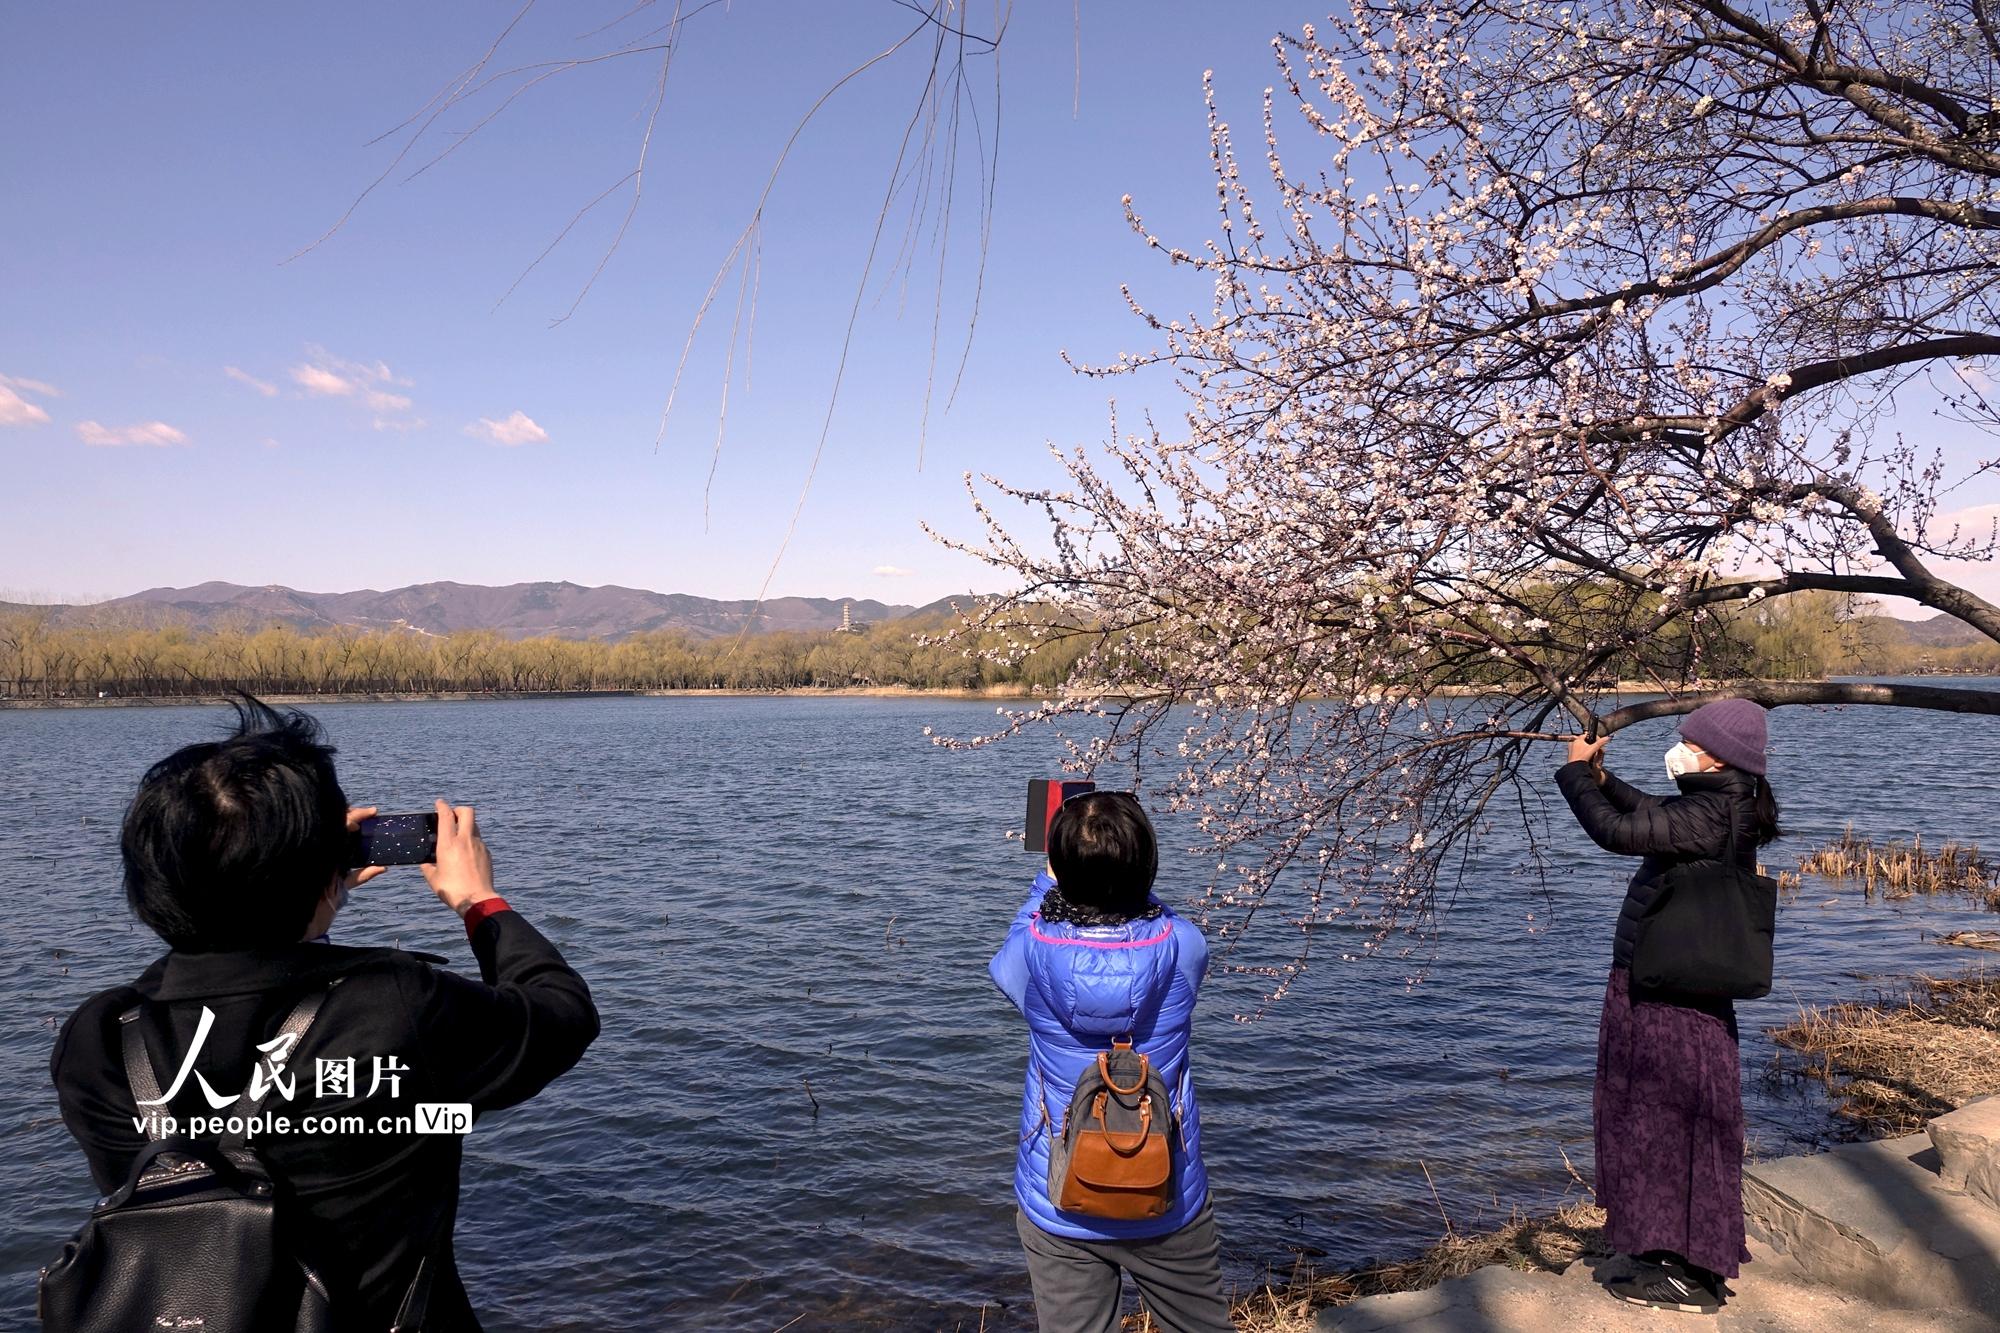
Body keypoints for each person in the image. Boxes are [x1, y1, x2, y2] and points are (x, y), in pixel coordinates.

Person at [49, 697, 599, 1331]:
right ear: (321, 874)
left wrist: (305, 891)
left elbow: (218, 978)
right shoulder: (392, 1006)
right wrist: (479, 900)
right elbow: (561, 1014)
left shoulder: (96, 1042)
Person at [1555, 698, 1780, 1315]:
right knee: (1658, 1118)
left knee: (1665, 1120)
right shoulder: (1721, 803)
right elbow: (1652, 813)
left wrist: (1576, 773)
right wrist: (1603, 780)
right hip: (1670, 987)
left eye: (1689, 739)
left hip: (1668, 995)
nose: (1679, 746)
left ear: (1717, 756)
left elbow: (1617, 832)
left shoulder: (1712, 813)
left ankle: (1689, 1274)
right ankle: (1664, 1249)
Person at [989, 791, 1233, 1333]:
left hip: (1060, 1195)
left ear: (1060, 869)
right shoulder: (1183, 946)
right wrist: (1124, 878)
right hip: (1165, 1189)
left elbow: (1012, 946)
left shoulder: (1030, 954)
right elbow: (1156, 921)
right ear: (1147, 865)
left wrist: (1048, 880)